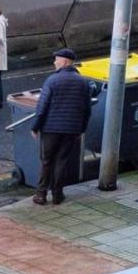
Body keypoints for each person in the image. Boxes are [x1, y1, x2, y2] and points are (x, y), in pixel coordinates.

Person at [30, 49, 91, 206]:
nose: (54, 63)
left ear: (64, 62)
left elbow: (42, 107)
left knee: (47, 160)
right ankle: (57, 195)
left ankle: (41, 195)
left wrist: (35, 127)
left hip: (51, 128)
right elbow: (87, 109)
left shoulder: (52, 80)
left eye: (56, 60)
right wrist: (81, 129)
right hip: (71, 129)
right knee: (62, 161)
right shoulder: (83, 81)